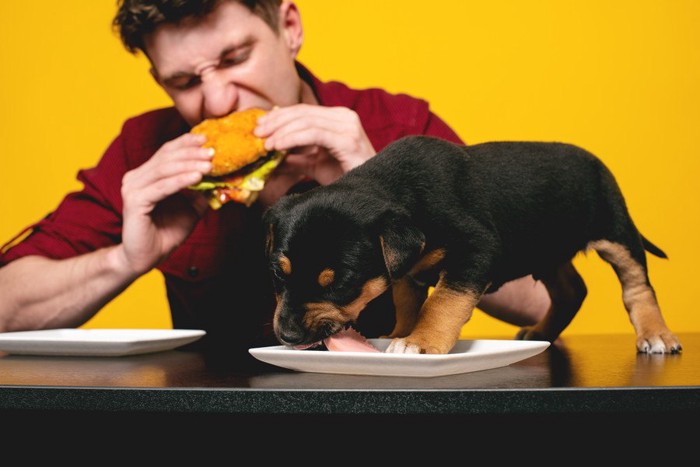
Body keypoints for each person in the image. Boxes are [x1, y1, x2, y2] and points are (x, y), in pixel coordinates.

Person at [0, 0, 549, 357]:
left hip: (394, 418)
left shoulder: (399, 131)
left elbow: (539, 302)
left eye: (236, 58)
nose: (215, 100)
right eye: (184, 80)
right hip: (214, 428)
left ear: (289, 27)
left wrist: (371, 177)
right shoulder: (149, 151)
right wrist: (125, 259)